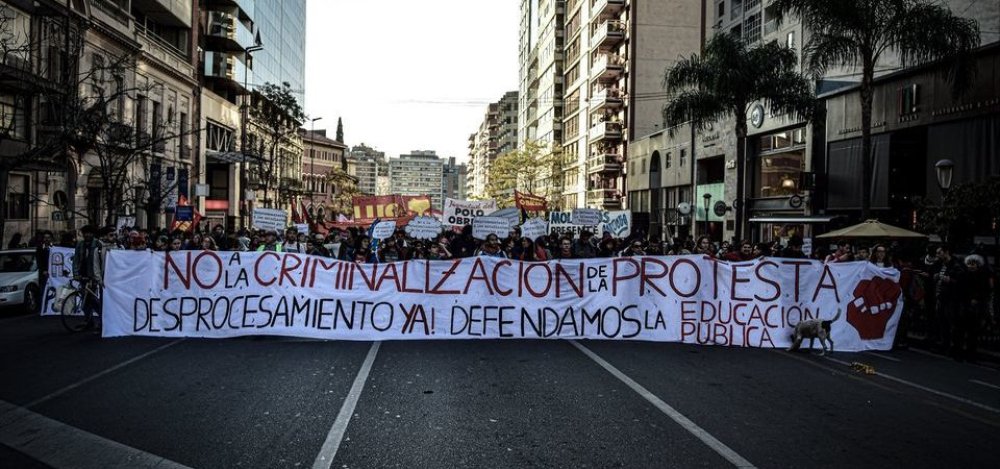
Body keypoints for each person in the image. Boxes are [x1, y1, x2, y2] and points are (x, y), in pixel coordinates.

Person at [957, 254, 991, 361]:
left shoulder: (982, 276)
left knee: (973, 331)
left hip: (976, 307)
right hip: (965, 305)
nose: (971, 266)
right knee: (962, 330)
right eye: (970, 264)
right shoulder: (964, 275)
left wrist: (977, 299)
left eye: (974, 264)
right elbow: (960, 289)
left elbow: (985, 290)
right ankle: (960, 351)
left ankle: (971, 352)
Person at [933, 245, 964, 355]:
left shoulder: (956, 265)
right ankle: (944, 345)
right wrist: (935, 277)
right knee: (942, 323)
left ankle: (954, 347)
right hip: (940, 297)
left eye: (939, 253)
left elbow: (961, 281)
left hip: (951, 299)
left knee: (952, 323)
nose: (937, 255)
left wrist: (950, 280)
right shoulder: (939, 264)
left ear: (946, 252)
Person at [72, 226, 104, 330]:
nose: (87, 235)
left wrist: (98, 275)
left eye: (89, 233)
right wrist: (76, 273)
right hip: (83, 274)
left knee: (91, 298)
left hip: (93, 274)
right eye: (85, 233)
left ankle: (102, 317)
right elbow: (76, 260)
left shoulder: (98, 244)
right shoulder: (80, 245)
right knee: (84, 297)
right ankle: (88, 319)